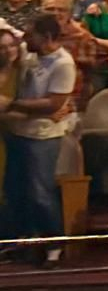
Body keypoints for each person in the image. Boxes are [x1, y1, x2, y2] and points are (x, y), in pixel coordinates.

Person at [1, 17, 78, 263]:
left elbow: (53, 104)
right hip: (16, 132)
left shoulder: (63, 63)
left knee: (40, 192)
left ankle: (54, 244)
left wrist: (11, 104)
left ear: (46, 38)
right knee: (15, 190)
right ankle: (23, 240)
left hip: (42, 137)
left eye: (31, 34)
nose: (25, 38)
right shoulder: (29, 52)